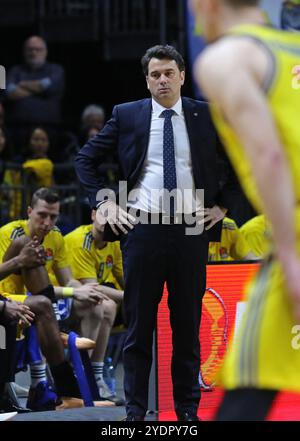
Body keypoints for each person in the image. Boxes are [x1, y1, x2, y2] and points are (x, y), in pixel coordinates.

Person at [75, 44, 237, 421]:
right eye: (154, 75)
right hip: (142, 226)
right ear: (146, 81)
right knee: (138, 327)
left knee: (187, 326)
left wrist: (223, 206)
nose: (162, 80)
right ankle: (134, 413)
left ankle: (186, 412)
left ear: (182, 75)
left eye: (168, 73)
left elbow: (241, 159)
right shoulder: (127, 114)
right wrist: (104, 203)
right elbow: (85, 159)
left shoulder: (206, 115)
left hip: (191, 226)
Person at [191, 0, 300, 420]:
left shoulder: (224, 58)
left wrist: (288, 256)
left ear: (208, 4)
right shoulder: (291, 50)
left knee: (246, 389)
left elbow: (268, 155)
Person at [0, 187, 108, 410]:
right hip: (6, 296)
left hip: (37, 296)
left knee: (100, 306)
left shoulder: (56, 237)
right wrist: (20, 260)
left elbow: (68, 281)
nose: (47, 222)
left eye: (53, 216)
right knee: (25, 246)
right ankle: (69, 388)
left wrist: (83, 291)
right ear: (29, 211)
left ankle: (89, 384)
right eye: (42, 215)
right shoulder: (9, 233)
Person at [64, 209, 124, 404]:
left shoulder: (113, 243)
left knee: (109, 306)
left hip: (88, 298)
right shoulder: (81, 240)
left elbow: (126, 280)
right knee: (101, 305)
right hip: (62, 298)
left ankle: (95, 377)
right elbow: (90, 287)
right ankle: (80, 375)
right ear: (92, 215)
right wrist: (132, 296)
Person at [6, 36, 64, 155]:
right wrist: (38, 88)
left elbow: (49, 87)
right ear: (24, 51)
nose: (34, 52)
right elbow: (9, 92)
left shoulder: (56, 70)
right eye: (30, 49)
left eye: (38, 49)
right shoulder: (15, 70)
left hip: (50, 129)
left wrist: (22, 84)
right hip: (19, 130)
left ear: (45, 51)